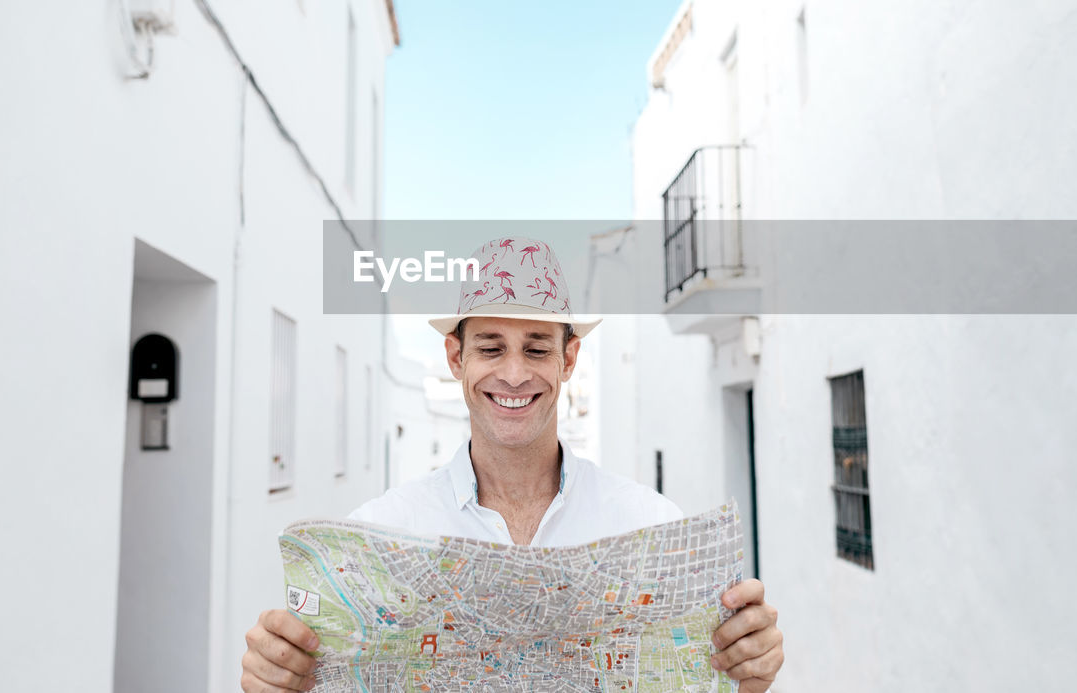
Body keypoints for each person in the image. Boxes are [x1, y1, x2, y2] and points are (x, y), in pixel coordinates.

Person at [241, 237, 784, 692]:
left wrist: (746, 677)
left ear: (569, 360)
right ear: (457, 358)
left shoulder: (652, 525)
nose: (516, 374)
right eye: (492, 347)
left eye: (537, 348)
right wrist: (280, 680)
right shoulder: (378, 536)